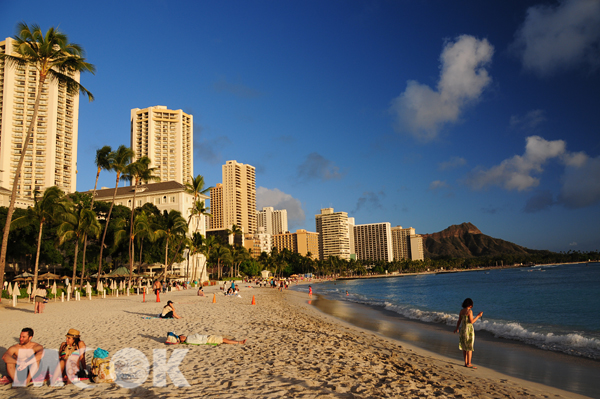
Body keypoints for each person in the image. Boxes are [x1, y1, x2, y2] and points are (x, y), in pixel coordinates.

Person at [454, 298, 483, 368]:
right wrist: (478, 316)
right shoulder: (469, 311)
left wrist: (457, 328)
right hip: (469, 330)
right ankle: (469, 363)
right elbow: (471, 321)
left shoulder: (461, 311)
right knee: (469, 347)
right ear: (470, 305)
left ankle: (465, 363)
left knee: (464, 347)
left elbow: (459, 321)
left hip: (463, 330)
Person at [169, 333, 246, 345]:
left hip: (207, 338)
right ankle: (239, 342)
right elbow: (198, 340)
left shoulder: (188, 338)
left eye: (181, 336)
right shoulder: (188, 339)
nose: (182, 337)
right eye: (181, 338)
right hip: (207, 339)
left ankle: (238, 342)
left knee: (224, 339)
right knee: (223, 340)